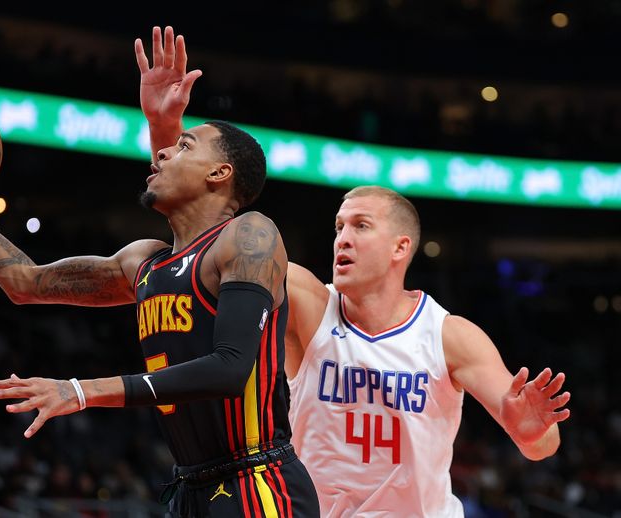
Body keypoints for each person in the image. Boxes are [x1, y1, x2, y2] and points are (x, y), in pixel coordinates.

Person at [138, 27, 572, 517]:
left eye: (360, 226)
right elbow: (201, 229)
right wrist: (166, 128)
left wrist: (531, 429)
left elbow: (538, 445)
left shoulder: (449, 335)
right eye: (339, 226)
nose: (342, 237)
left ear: (400, 248)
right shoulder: (308, 302)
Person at [0, 27, 319, 518]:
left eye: (184, 146)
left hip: (258, 482)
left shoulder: (250, 236)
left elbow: (229, 368)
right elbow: (24, 283)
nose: (162, 152)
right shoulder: (146, 263)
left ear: (219, 174)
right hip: (190, 489)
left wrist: (80, 391)